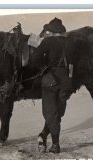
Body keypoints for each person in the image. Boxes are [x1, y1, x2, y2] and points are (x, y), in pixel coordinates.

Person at [30, 18, 74, 153]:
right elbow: (72, 64)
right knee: (59, 111)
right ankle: (43, 135)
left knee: (50, 112)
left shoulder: (48, 41)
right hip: (66, 79)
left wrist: (45, 65)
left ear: (52, 31)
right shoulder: (70, 42)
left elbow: (33, 59)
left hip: (50, 79)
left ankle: (55, 145)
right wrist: (69, 79)